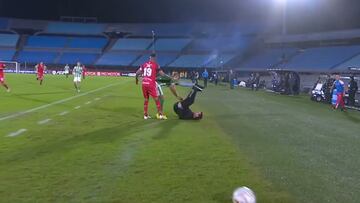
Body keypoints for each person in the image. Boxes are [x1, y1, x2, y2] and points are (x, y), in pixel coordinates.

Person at [136, 53, 167, 120]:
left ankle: (145, 115)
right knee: (156, 99)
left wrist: (139, 78)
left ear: (149, 58)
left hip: (144, 83)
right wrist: (168, 77)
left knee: (146, 99)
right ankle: (160, 115)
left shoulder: (144, 64)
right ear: (154, 58)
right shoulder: (156, 65)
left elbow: (137, 73)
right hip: (151, 84)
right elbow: (162, 74)